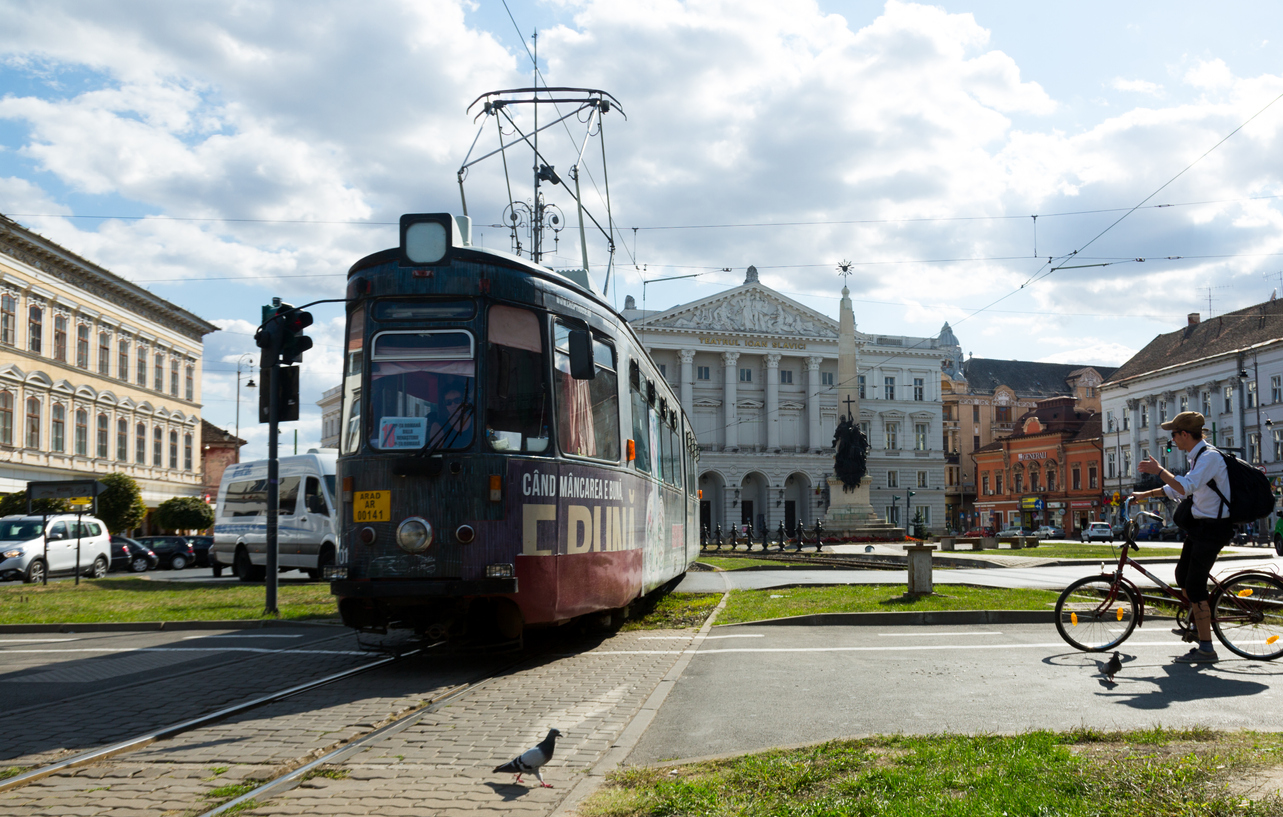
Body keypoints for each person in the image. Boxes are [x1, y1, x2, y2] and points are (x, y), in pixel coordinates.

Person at [1134, 411, 1233, 663]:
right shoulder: (1197, 456)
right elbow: (1178, 487)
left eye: (1174, 435)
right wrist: (1144, 495)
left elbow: (1185, 486)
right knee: (1182, 577)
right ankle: (1195, 624)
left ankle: (1206, 649)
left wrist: (1160, 470)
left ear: (1185, 434)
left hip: (1213, 529)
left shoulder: (1209, 457)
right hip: (1200, 527)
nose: (1173, 440)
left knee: (1197, 586)